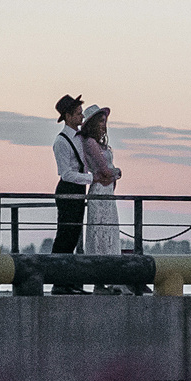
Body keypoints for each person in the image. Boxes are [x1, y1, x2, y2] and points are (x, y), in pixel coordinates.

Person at [50, 93, 91, 293]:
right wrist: (92, 178)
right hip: (68, 190)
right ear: (68, 116)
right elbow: (65, 174)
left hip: (78, 190)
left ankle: (68, 281)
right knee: (65, 236)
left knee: (73, 236)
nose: (81, 118)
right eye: (78, 114)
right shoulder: (61, 141)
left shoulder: (80, 138)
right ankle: (58, 281)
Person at [81, 104, 123, 262]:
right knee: (101, 231)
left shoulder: (97, 143)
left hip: (107, 190)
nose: (103, 125)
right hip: (100, 190)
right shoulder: (90, 143)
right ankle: (102, 270)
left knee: (108, 230)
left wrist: (111, 175)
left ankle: (109, 272)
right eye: (100, 121)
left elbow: (105, 172)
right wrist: (117, 172)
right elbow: (105, 170)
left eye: (104, 121)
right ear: (93, 123)